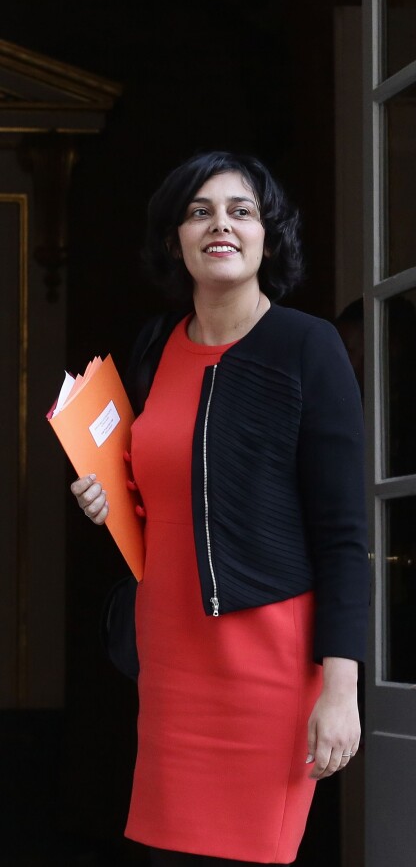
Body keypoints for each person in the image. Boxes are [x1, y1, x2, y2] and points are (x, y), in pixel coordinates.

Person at [70, 150, 369, 866]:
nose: (220, 225)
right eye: (199, 212)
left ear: (269, 235)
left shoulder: (308, 346)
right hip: (171, 660)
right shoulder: (154, 346)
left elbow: (343, 536)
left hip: (266, 662)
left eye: (241, 211)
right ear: (176, 238)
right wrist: (108, 500)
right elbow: (174, 496)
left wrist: (340, 688)